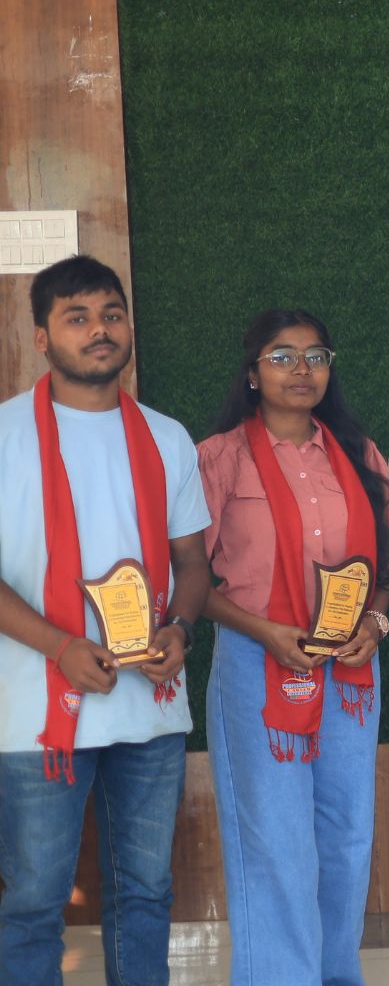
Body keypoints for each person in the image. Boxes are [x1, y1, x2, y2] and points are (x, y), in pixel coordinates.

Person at [0, 255, 212, 985]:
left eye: (111, 314)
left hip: (148, 708)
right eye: (78, 317)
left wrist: (180, 629)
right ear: (41, 337)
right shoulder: (3, 436)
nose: (99, 330)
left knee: (145, 894)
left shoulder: (166, 437)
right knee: (33, 903)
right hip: (35, 716)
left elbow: (193, 564)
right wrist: (61, 646)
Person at [198, 309, 389, 985]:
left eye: (315, 356)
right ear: (253, 374)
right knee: (275, 841)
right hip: (258, 665)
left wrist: (374, 625)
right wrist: (264, 632)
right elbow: (186, 580)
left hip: (349, 670)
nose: (301, 369)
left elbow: (384, 567)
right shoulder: (219, 458)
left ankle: (335, 975)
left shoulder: (359, 455)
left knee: (346, 836)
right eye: (282, 357)